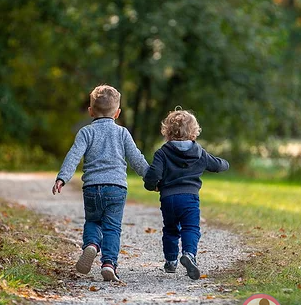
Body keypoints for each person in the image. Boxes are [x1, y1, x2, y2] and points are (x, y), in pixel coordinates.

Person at [52, 85, 149, 281]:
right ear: (118, 113)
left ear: (90, 111)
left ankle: (91, 245)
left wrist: (62, 177)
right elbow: (136, 158)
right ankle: (108, 264)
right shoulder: (122, 133)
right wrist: (151, 178)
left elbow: (73, 156)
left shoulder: (86, 133)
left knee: (93, 221)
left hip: (91, 188)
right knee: (112, 227)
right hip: (116, 188)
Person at [143, 108, 229, 279]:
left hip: (168, 199)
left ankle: (171, 261)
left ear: (167, 132)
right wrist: (226, 163)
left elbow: (154, 175)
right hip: (190, 199)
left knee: (170, 229)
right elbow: (217, 165)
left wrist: (151, 186)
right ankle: (189, 254)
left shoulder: (162, 152)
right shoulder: (199, 153)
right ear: (194, 132)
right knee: (190, 228)